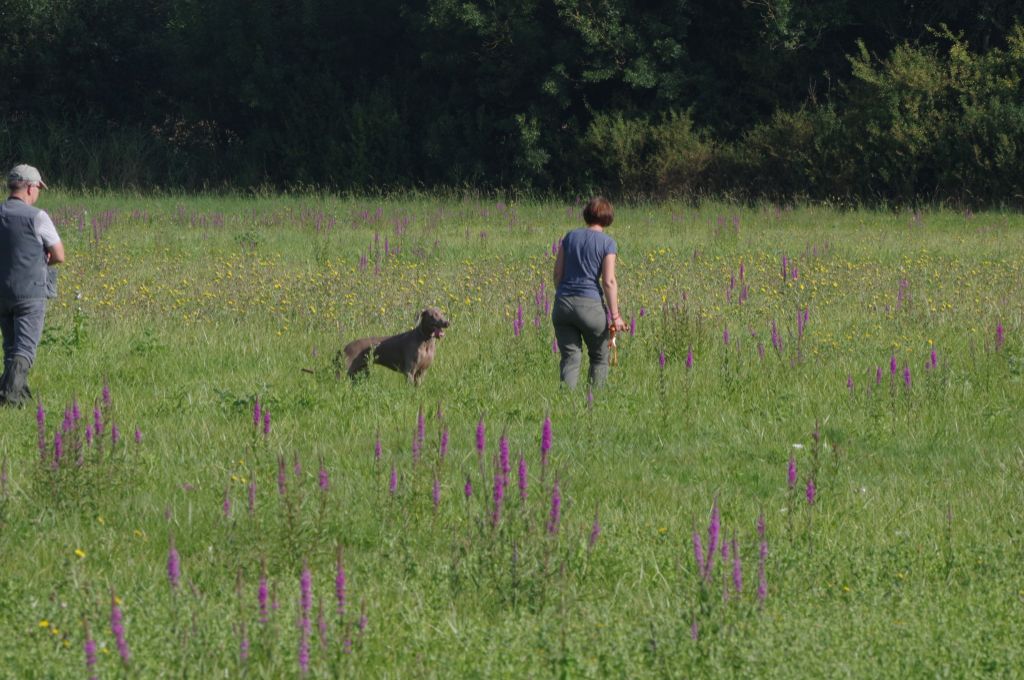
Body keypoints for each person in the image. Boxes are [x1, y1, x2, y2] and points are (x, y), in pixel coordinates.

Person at [0, 164, 64, 406]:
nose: (38, 193)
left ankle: (20, 396)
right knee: (25, 349)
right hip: (30, 292)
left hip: (1, 292)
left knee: (10, 347)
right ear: (29, 188)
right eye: (38, 188)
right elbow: (59, 255)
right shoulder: (37, 217)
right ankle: (8, 398)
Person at [551, 196, 626, 388]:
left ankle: (565, 404)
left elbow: (557, 273)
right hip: (590, 306)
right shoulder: (608, 243)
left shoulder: (569, 237)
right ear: (608, 217)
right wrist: (615, 316)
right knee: (600, 357)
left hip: (563, 304)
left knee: (570, 357)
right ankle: (595, 403)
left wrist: (563, 294)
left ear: (587, 214)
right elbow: (608, 281)